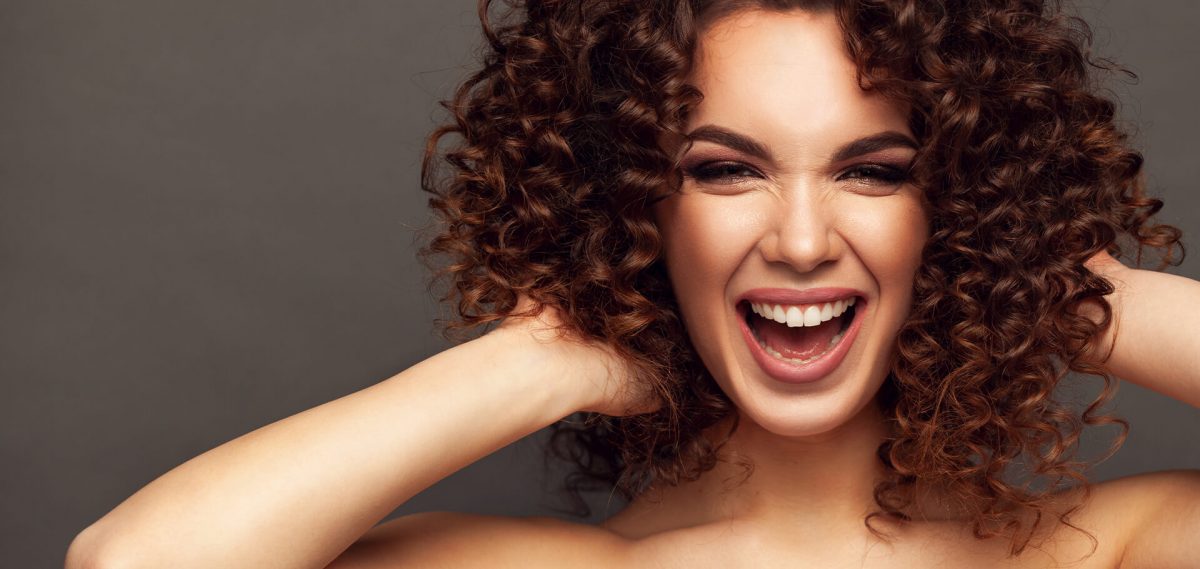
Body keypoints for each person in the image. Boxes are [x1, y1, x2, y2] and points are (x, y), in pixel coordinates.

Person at [66, 0, 1200, 567]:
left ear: (952, 208)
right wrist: (536, 363)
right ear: (631, 205)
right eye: (723, 169)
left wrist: (1080, 298)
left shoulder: (1108, 546)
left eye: (874, 172)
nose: (801, 239)